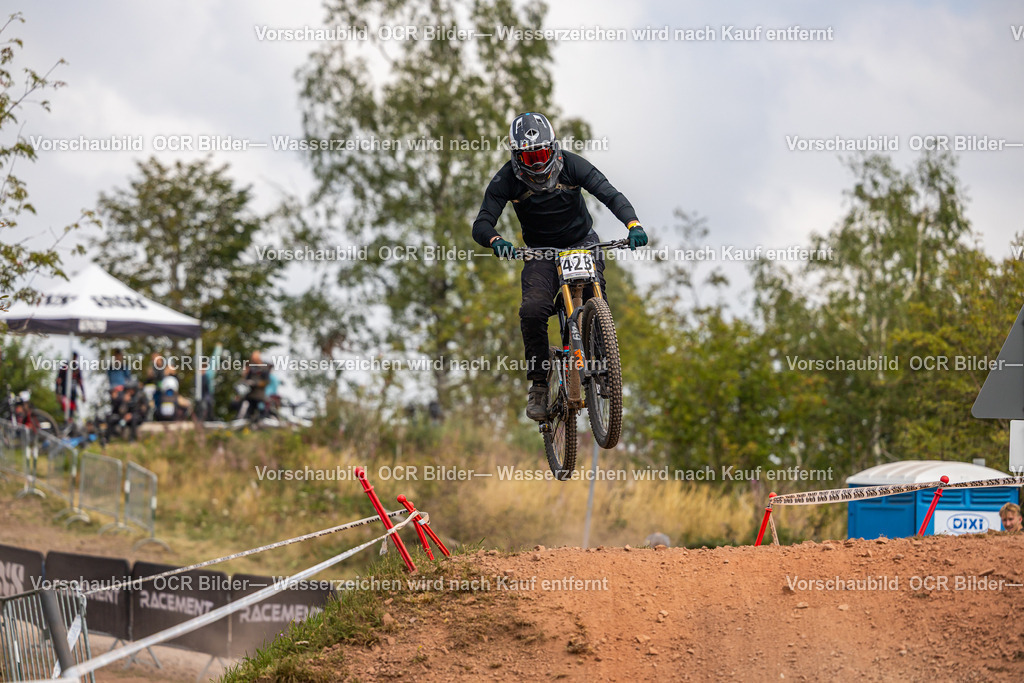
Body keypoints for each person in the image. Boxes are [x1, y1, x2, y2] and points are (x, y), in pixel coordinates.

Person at [472, 112, 647, 420]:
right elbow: (482, 222)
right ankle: (539, 384)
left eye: (541, 154)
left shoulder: (572, 165)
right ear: (516, 157)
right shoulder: (506, 180)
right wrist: (496, 240)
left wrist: (632, 224)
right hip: (540, 252)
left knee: (597, 300)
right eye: (530, 156)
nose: (538, 164)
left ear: (552, 149)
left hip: (582, 242)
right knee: (533, 309)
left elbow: (609, 193)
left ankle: (604, 364)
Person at [55, 352, 86, 419]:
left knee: (71, 411)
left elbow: (80, 382)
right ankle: (65, 422)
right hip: (64, 393)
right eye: (73, 357)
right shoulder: (64, 367)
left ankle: (70, 422)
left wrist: (83, 394)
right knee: (65, 409)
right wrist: (57, 393)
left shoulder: (77, 369)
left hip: (73, 394)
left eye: (75, 358)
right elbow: (58, 380)